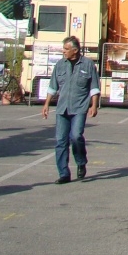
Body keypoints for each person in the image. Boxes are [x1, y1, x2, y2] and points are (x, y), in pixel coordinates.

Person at [42, 35, 101, 184]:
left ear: (75, 50)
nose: (63, 51)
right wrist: (46, 104)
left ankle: (81, 161)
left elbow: (94, 87)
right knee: (61, 141)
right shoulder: (60, 65)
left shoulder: (88, 65)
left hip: (79, 108)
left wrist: (94, 105)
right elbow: (52, 87)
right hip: (62, 109)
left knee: (76, 136)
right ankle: (64, 173)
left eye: (66, 49)